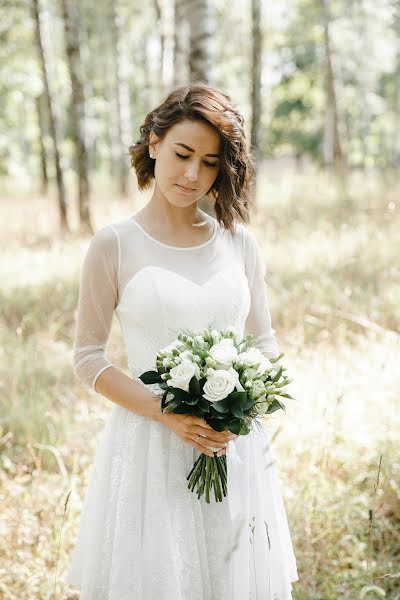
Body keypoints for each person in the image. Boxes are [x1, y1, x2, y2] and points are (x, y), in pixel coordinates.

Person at [67, 83, 298, 599]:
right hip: (151, 444)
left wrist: (241, 408)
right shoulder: (115, 244)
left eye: (211, 163)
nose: (193, 175)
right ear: (153, 143)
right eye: (182, 154)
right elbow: (86, 358)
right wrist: (163, 411)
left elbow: (263, 343)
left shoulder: (239, 244)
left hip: (232, 447)